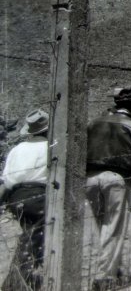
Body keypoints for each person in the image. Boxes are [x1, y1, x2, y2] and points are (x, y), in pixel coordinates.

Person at [85, 88, 131, 291]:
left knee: (103, 225)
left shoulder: (94, 122)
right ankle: (104, 277)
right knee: (114, 227)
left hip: (90, 177)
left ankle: (114, 268)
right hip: (117, 178)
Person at [0, 110, 49, 290]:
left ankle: (30, 274)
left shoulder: (17, 149)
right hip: (38, 195)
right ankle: (16, 280)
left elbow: (7, 179)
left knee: (32, 233)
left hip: (16, 196)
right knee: (34, 236)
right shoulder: (51, 146)